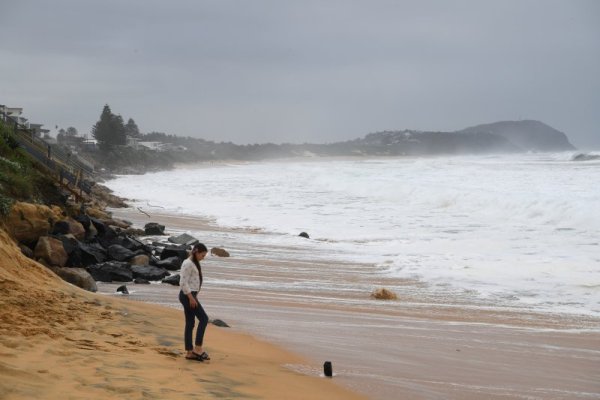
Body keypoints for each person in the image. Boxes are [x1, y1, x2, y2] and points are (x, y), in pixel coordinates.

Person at [179, 243, 211, 361]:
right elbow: (183, 282)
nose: (203, 258)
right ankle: (198, 348)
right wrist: (191, 298)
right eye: (202, 255)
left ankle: (189, 352)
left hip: (190, 295)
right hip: (188, 296)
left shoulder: (193, 263)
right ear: (196, 252)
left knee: (190, 323)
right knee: (204, 319)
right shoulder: (187, 263)